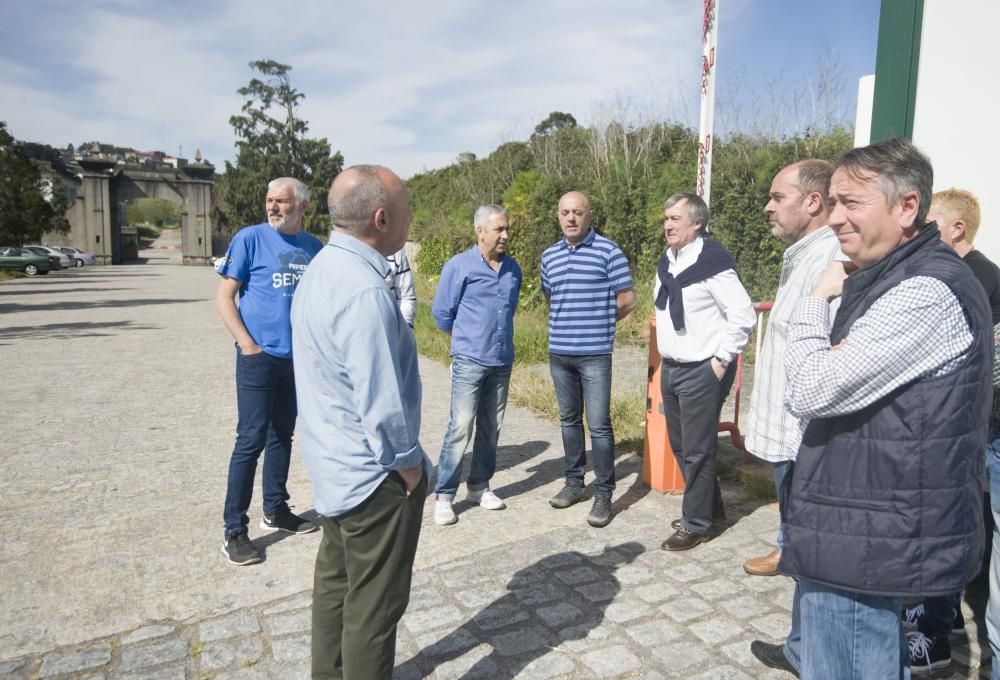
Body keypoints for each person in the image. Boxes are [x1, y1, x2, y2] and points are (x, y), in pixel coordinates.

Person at [780, 138, 991, 678]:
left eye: (851, 203)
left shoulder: (924, 292)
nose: (835, 219)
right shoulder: (893, 275)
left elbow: (809, 387)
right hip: (862, 526)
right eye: (833, 202)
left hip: (867, 540)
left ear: (906, 207)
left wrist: (813, 302)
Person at [291, 165, 429, 680]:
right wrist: (409, 468)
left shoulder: (322, 268)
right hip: (373, 480)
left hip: (333, 468)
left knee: (335, 590)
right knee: (374, 611)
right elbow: (381, 400)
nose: (411, 216)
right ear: (381, 218)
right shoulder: (364, 291)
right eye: (407, 208)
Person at [745, 161, 840, 677]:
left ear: (812, 202)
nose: (768, 205)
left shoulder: (831, 257)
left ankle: (809, 654)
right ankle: (802, 647)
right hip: (789, 434)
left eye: (778, 196)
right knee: (800, 546)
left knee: (811, 551)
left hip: (805, 437)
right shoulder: (803, 256)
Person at [901, 188, 1000, 673]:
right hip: (960, 430)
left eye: (930, 220)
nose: (918, 229)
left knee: (946, 531)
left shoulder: (976, 278)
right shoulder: (966, 275)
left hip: (967, 431)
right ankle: (944, 618)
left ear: (957, 228)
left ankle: (936, 639)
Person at [215, 177, 323, 566]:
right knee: (250, 439)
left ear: (303, 206)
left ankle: (275, 509)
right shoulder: (250, 238)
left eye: (281, 201)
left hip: (297, 360)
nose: (273, 207)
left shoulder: (314, 248)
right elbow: (225, 295)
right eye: (269, 200)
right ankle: (234, 531)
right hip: (258, 357)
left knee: (283, 435)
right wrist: (247, 344)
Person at [655, 192, 755, 550]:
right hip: (673, 367)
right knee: (682, 446)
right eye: (666, 218)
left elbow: (743, 315)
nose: (668, 224)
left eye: (675, 219)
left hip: (702, 368)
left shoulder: (713, 261)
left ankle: (695, 523)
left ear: (697, 224)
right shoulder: (668, 260)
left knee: (697, 449)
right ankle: (709, 508)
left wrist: (720, 361)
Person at [542, 191, 637, 527]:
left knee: (598, 424)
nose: (571, 218)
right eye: (565, 212)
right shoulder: (549, 256)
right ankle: (573, 482)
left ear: (589, 215)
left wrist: (600, 323)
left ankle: (604, 492)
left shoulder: (608, 251)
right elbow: (553, 297)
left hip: (595, 354)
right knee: (569, 421)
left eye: (577, 212)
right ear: (558, 215)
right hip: (560, 353)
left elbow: (627, 300)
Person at [431, 205, 521, 526]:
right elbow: (442, 314)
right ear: (480, 231)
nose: (506, 235)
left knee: (491, 428)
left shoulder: (513, 269)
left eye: (507, 229)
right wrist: (465, 341)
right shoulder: (459, 266)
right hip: (470, 360)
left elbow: (509, 310)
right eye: (499, 229)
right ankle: (444, 495)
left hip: (501, 360)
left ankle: (479, 486)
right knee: (460, 427)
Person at [386, 247, 417, 327]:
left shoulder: (395, 252)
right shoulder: (349, 255)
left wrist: (405, 333)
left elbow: (406, 299)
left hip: (391, 332)